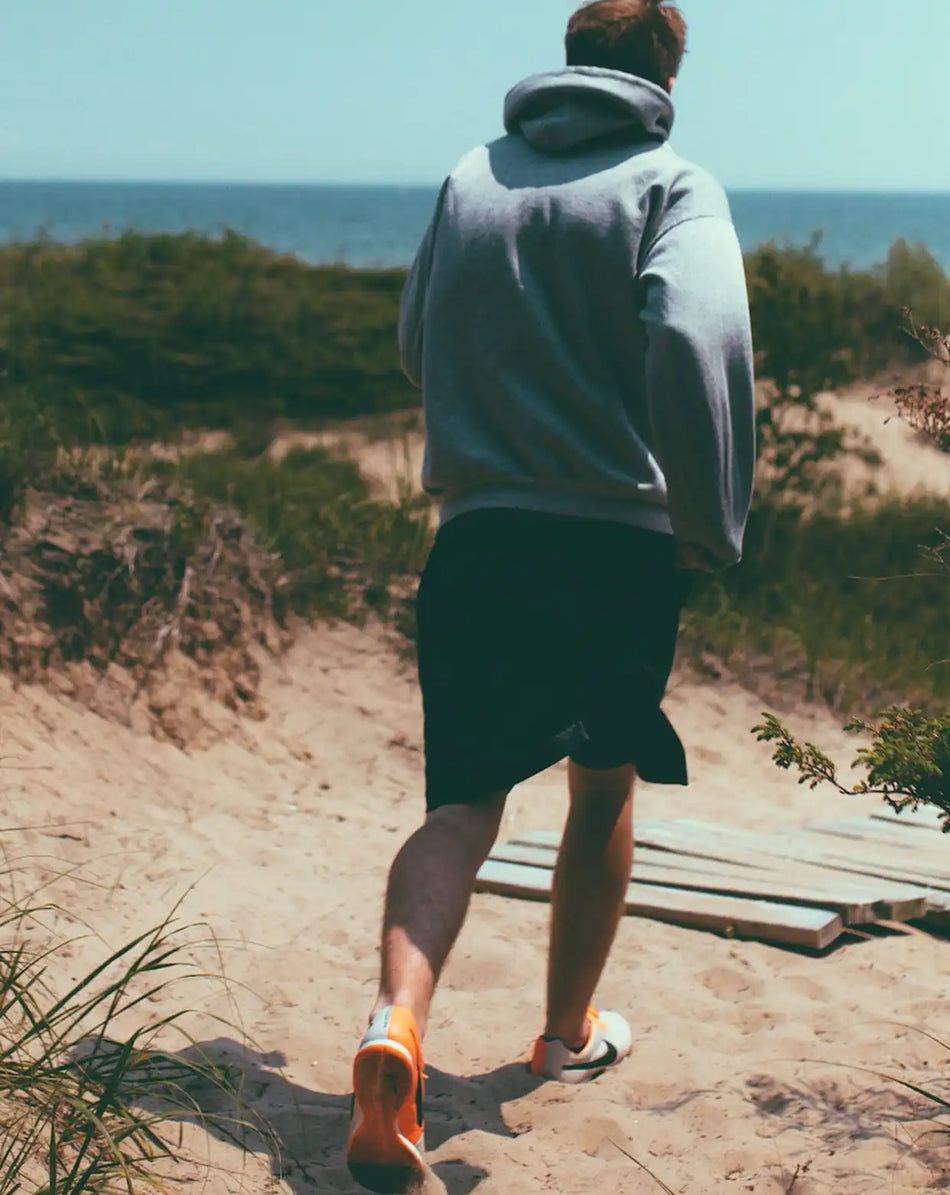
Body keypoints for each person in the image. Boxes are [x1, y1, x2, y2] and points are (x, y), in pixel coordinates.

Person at [346, 1, 755, 1189]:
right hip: (610, 547)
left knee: (462, 803)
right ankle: (565, 1036)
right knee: (596, 793)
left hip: (476, 536)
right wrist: (706, 520)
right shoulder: (673, 185)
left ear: (571, 62)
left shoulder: (469, 178)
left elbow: (420, 341)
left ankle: (393, 1024)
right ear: (668, 71)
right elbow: (694, 340)